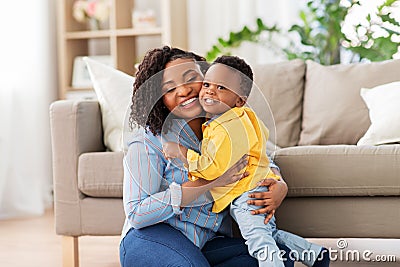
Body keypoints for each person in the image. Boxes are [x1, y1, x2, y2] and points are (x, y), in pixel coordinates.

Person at [120, 46, 294, 267]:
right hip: (152, 237)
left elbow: (261, 155)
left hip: (205, 241)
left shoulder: (228, 123)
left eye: (191, 78)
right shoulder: (148, 141)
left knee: (280, 257)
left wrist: (279, 183)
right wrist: (208, 181)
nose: (183, 91)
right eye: (169, 88)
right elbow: (137, 213)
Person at [163, 55, 330, 267]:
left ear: (239, 100)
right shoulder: (243, 117)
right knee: (266, 233)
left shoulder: (225, 129)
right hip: (255, 186)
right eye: (207, 84)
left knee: (260, 242)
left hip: (245, 195)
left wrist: (182, 152)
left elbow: (212, 168)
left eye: (221, 88)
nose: (210, 91)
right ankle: (313, 254)